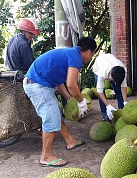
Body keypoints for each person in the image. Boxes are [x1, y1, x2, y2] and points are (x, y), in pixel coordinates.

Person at [23, 37, 97, 167]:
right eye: (92, 55)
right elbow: (71, 84)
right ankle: (45, 156)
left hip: (39, 83)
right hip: (37, 85)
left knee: (55, 112)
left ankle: (70, 141)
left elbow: (58, 82)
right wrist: (80, 101)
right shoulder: (76, 57)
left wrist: (70, 99)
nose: (90, 58)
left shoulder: (70, 54)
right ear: (89, 52)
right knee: (51, 117)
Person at [92, 53, 128, 121]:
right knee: (101, 92)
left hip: (110, 60)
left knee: (118, 90)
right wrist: (108, 106)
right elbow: (99, 91)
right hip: (98, 66)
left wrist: (125, 101)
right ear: (111, 77)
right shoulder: (102, 72)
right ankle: (104, 113)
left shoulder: (122, 70)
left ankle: (122, 109)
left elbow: (123, 86)